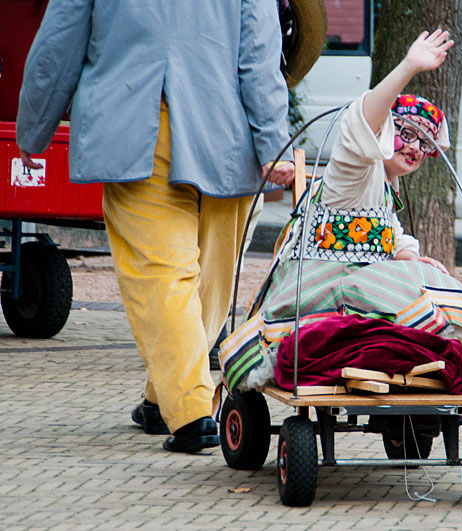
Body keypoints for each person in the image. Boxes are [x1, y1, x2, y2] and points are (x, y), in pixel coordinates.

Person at [16, 0, 294, 452]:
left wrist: (34, 126)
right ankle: (163, 397)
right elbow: (260, 54)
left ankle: (189, 413)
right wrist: (273, 144)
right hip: (226, 134)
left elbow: (59, 41)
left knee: (163, 275)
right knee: (209, 280)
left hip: (138, 124)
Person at [219, 29, 462, 395]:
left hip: (358, 285)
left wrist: (410, 255)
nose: (414, 148)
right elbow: (359, 124)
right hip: (320, 288)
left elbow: (390, 233)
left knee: (428, 280)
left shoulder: (384, 186)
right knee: (431, 295)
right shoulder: (356, 172)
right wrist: (408, 67)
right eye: (406, 132)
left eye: (425, 143)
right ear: (384, 131)